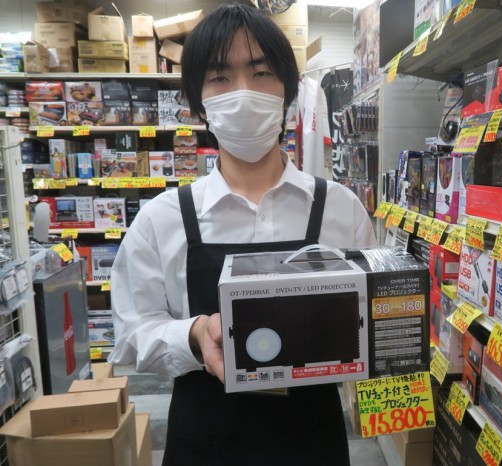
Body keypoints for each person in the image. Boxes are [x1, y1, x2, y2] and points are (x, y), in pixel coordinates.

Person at [109, 4, 376, 465]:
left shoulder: (340, 209)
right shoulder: (161, 219)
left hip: (314, 443)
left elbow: (369, 321)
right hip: (204, 445)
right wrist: (195, 335)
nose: (243, 92)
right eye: (220, 77)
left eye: (261, 73)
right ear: (198, 102)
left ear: (288, 91)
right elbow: (133, 335)